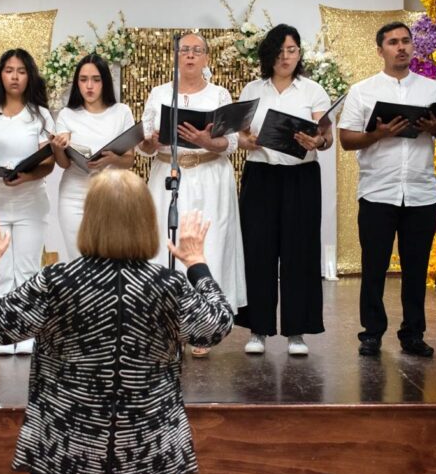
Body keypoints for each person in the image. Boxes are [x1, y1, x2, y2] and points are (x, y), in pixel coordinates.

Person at [0, 170, 234, 474]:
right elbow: (216, 326)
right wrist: (197, 263)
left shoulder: (57, 281)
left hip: (64, 452)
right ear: (147, 221)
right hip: (151, 453)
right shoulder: (168, 284)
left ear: (89, 219)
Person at [338, 22, 436, 357]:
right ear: (380, 50)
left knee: (416, 267)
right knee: (374, 265)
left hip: (420, 192)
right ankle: (372, 333)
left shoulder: (433, 90)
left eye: (406, 41)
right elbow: (346, 139)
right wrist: (377, 135)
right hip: (378, 191)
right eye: (393, 42)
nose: (401, 47)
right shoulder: (363, 90)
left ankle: (413, 334)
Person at [138, 32, 245, 357]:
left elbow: (233, 142)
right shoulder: (159, 94)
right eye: (184, 50)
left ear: (207, 58)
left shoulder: (219, 94)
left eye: (197, 51)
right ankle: (165, 324)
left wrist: (206, 141)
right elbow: (143, 145)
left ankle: (201, 327)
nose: (190, 56)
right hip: (169, 175)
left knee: (209, 245)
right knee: (163, 246)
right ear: (175, 56)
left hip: (210, 174)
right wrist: (150, 142)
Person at [234, 24, 333, 356]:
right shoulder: (252, 89)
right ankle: (258, 330)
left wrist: (316, 140)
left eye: (291, 50)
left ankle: (297, 332)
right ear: (268, 54)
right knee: (258, 251)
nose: (285, 57)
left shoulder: (312, 90)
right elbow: (241, 134)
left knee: (299, 252)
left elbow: (326, 136)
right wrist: (245, 140)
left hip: (300, 177)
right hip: (260, 175)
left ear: (299, 53)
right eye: (279, 51)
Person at [0, 48, 55, 356]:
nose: (14, 76)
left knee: (28, 270)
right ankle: (5, 333)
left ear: (29, 76)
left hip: (30, 201)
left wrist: (27, 176)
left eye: (21, 71)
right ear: (0, 75)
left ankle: (28, 332)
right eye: (8, 70)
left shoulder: (40, 115)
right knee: (1, 269)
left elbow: (49, 163)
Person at [50, 53, 136, 260]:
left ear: (105, 82)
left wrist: (111, 159)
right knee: (77, 260)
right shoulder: (67, 114)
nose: (89, 86)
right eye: (83, 79)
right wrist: (57, 147)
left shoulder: (121, 112)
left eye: (96, 80)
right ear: (77, 83)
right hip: (74, 195)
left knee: (110, 259)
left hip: (112, 194)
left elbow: (130, 160)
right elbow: (63, 164)